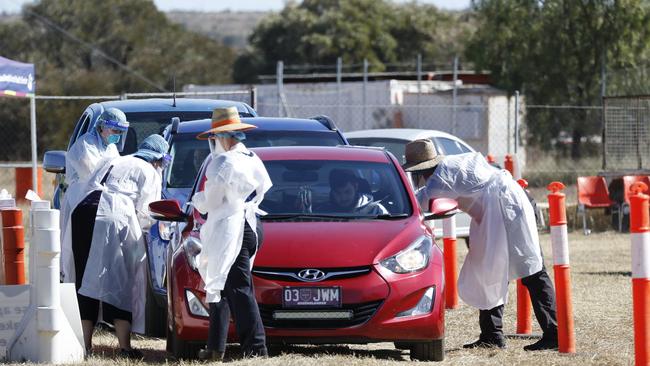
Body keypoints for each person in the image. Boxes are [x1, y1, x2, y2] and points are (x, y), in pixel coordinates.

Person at [402, 139, 558, 351]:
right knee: (488, 271)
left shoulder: (441, 177)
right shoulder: (449, 167)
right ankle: (491, 335)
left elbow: (420, 201)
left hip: (506, 208)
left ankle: (554, 334)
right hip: (501, 208)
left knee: (533, 272)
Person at [70, 134, 169, 358]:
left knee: (85, 277)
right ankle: (125, 347)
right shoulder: (148, 171)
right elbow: (148, 212)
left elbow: (88, 185)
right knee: (119, 278)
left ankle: (84, 346)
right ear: (158, 160)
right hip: (113, 216)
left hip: (83, 212)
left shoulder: (116, 159)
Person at [192, 107, 272, 361]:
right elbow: (264, 188)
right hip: (250, 224)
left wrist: (197, 200)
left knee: (236, 287)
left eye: (215, 138)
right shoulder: (251, 157)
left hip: (231, 227)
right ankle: (216, 347)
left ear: (223, 136)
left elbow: (212, 201)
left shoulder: (223, 162)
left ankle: (256, 348)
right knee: (222, 286)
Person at [60, 108, 129, 284]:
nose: (118, 135)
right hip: (80, 201)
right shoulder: (85, 145)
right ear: (101, 127)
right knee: (78, 255)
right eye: (115, 131)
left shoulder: (111, 148)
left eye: (121, 132)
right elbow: (93, 175)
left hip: (100, 204)